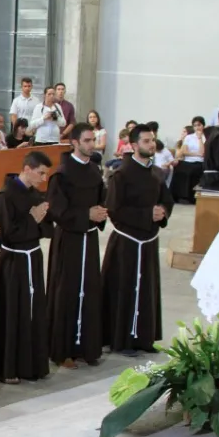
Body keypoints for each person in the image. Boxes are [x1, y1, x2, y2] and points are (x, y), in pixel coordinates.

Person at [102, 124, 174, 356]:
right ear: (133, 145)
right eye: (145, 141)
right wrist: (146, 215)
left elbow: (167, 200)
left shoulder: (157, 173)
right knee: (125, 290)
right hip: (127, 242)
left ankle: (144, 338)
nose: (151, 144)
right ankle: (122, 340)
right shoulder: (121, 174)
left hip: (149, 240)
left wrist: (162, 211)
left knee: (146, 290)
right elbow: (114, 209)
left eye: (152, 140)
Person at [46, 123, 108, 368]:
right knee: (67, 291)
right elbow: (57, 209)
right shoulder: (62, 173)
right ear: (74, 142)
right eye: (87, 140)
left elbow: (101, 198)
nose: (91, 144)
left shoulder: (94, 170)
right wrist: (86, 214)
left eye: (93, 139)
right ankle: (63, 350)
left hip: (89, 239)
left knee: (90, 289)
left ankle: (87, 347)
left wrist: (101, 212)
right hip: (70, 239)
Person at [0, 151, 54, 384]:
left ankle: (32, 365)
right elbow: (8, 233)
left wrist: (37, 221)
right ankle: (9, 368)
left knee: (33, 310)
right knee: (12, 313)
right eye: (40, 173)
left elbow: (48, 227)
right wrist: (33, 221)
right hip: (14, 261)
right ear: (27, 169)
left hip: (33, 257)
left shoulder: (35, 194)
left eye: (46, 174)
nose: (43, 178)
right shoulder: (6, 195)